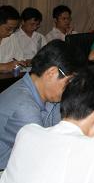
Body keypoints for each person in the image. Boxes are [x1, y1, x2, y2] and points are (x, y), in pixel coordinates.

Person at [0, 40, 85, 169]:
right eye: (69, 81)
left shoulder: (49, 94)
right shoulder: (24, 106)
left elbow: (64, 132)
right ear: (51, 73)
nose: (71, 88)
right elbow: (46, 154)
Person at [0, 6, 21, 73]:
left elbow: (19, 59)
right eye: (8, 29)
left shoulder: (12, 37)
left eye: (14, 29)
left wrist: (17, 65)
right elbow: (6, 66)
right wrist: (4, 66)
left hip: (8, 77)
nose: (11, 32)